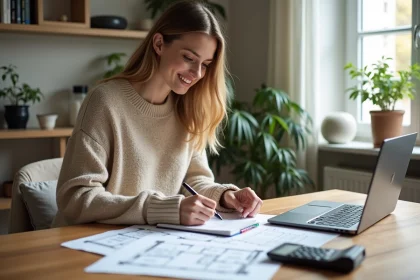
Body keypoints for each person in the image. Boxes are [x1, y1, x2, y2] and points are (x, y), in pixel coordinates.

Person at [52, 0, 262, 228]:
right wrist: (161, 209)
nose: (197, 73)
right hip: (87, 241)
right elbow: (75, 198)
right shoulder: (105, 101)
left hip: (147, 240)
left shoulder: (188, 109)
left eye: (206, 64)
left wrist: (224, 196)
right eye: (189, 58)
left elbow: (194, 181)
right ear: (159, 44)